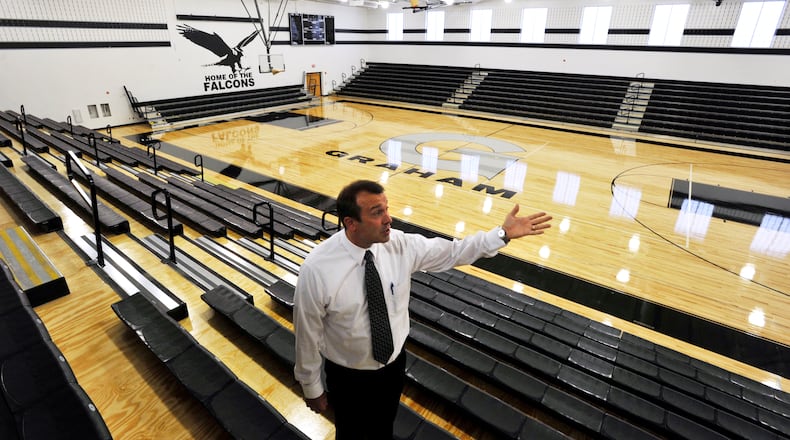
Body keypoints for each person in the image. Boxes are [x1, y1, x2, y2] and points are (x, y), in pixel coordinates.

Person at [293, 180, 552, 439]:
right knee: (351, 435)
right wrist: (311, 386)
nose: (388, 219)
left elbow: (454, 252)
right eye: (377, 212)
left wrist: (502, 234)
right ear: (351, 223)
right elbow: (307, 333)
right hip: (349, 378)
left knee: (384, 429)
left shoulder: (399, 244)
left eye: (386, 208)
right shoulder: (317, 269)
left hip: (393, 367)